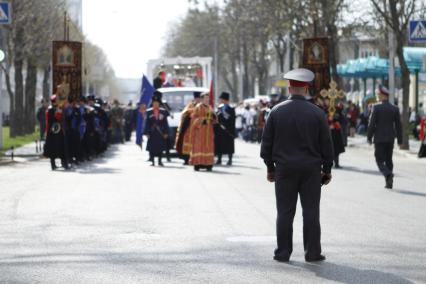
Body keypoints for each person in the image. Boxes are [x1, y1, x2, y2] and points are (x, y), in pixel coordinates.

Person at [260, 68, 334, 263]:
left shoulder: (276, 111)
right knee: (311, 212)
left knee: (284, 211)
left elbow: (265, 145)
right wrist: (327, 170)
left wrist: (270, 167)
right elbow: (327, 145)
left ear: (290, 87)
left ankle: (283, 253)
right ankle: (312, 253)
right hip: (311, 170)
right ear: (307, 88)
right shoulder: (317, 113)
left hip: (284, 170)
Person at [367, 85, 403, 189]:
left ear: (383, 95)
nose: (378, 96)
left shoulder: (376, 107)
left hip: (379, 138)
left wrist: (369, 137)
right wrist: (400, 140)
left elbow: (371, 124)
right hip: (390, 138)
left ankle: (388, 174)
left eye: (378, 94)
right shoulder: (394, 108)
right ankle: (389, 182)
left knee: (379, 160)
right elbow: (398, 126)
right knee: (388, 160)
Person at [189, 93, 217, 171]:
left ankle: (208, 164)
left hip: (209, 132)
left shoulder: (210, 107)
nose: (207, 100)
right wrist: (203, 120)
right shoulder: (198, 107)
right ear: (201, 99)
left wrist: (214, 117)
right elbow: (193, 119)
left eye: (208, 99)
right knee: (199, 147)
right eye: (205, 99)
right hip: (200, 132)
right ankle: (198, 163)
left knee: (208, 147)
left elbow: (215, 120)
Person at [175, 91, 201, 165]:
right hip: (189, 127)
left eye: (199, 98)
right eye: (197, 98)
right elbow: (184, 113)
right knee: (187, 142)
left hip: (198, 128)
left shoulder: (202, 106)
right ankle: (186, 158)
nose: (198, 100)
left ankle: (197, 159)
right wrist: (190, 113)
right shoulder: (190, 105)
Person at [44, 95, 68, 170]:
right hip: (52, 132)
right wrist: (58, 112)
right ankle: (53, 164)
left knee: (61, 148)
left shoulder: (59, 108)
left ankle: (64, 163)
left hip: (59, 131)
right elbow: (53, 120)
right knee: (52, 149)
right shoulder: (50, 110)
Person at [144, 95, 170, 166]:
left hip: (160, 133)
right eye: (154, 103)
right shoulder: (149, 112)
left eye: (157, 103)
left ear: (159, 104)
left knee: (160, 148)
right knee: (152, 148)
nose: (156, 104)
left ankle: (160, 161)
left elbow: (165, 123)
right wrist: (146, 133)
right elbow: (146, 123)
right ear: (152, 103)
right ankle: (152, 161)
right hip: (152, 132)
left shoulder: (163, 111)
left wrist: (166, 133)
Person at [215, 92, 236, 166]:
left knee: (229, 145)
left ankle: (230, 160)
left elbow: (232, 119)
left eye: (221, 99)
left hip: (228, 130)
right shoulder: (219, 108)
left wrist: (226, 125)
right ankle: (219, 159)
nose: (220, 100)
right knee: (219, 144)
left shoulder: (231, 109)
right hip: (220, 129)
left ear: (225, 100)